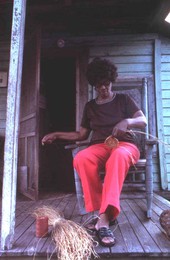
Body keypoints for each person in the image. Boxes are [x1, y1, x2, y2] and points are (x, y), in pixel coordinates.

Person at [42, 58, 147, 247]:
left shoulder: (124, 100)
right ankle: (102, 214)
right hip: (99, 146)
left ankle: (104, 219)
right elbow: (81, 135)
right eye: (99, 86)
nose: (103, 89)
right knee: (82, 158)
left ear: (111, 80)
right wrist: (56, 134)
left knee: (117, 157)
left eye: (106, 84)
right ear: (94, 86)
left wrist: (127, 122)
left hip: (125, 146)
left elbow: (143, 120)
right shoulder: (90, 106)